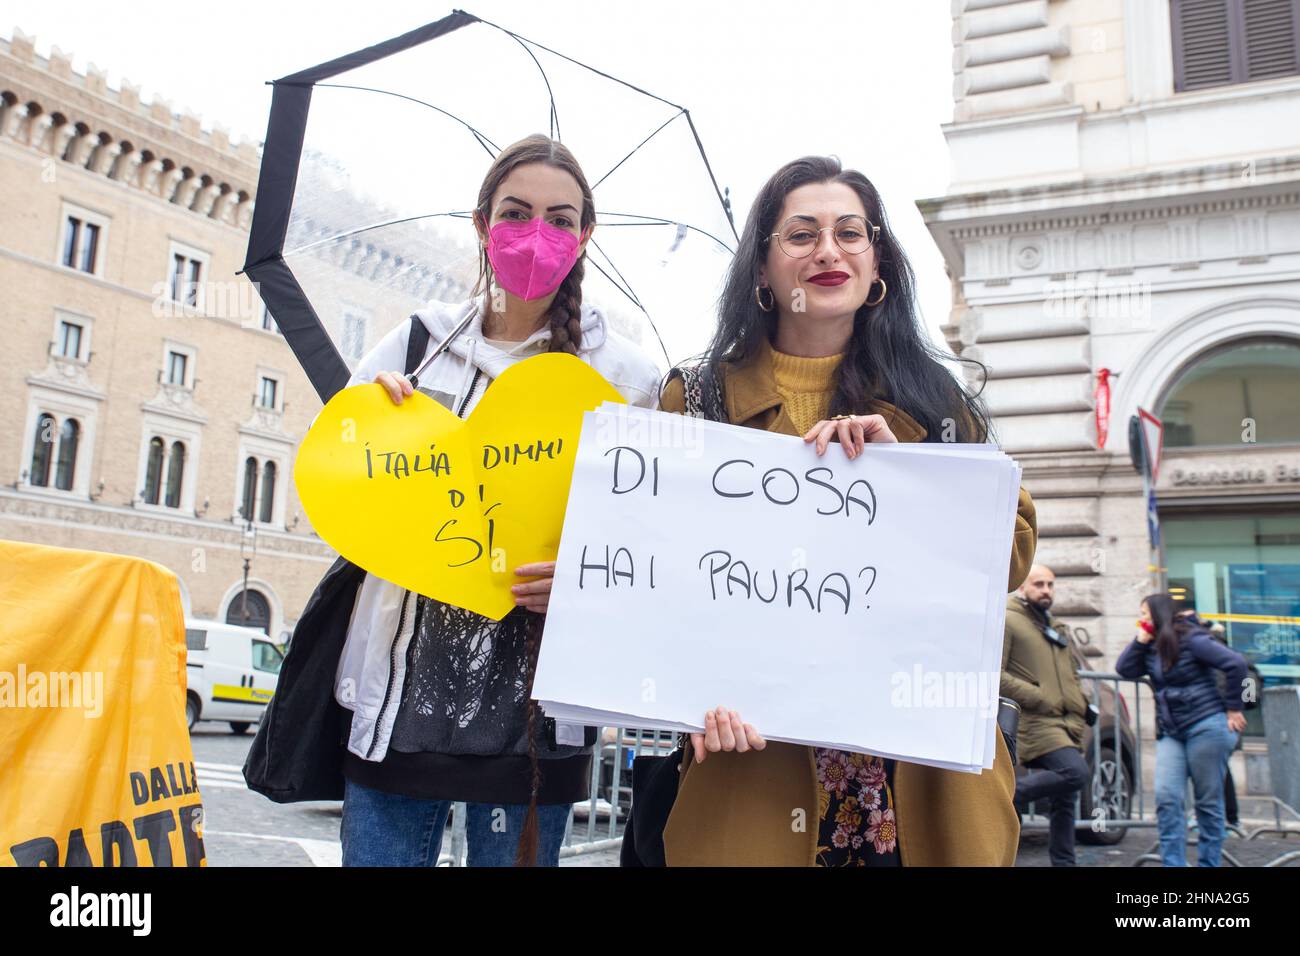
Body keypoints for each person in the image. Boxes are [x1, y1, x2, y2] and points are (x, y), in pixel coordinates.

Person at [655, 155, 1038, 866]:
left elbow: (1008, 557)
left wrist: (907, 479)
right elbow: (658, 571)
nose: (829, 250)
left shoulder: (938, 402)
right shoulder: (697, 398)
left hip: (919, 774)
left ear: (876, 262)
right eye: (801, 235)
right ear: (763, 271)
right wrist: (688, 696)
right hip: (755, 764)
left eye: (850, 233)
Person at [334, 134, 662, 866]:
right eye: (515, 213)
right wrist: (378, 427)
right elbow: (341, 487)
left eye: (558, 218)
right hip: (398, 710)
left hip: (534, 730)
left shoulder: (628, 376)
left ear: (585, 237)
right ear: (482, 225)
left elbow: (652, 539)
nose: (536, 233)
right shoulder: (412, 348)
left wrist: (584, 580)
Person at [1115, 593, 1248, 866]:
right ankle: (1173, 863)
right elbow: (1124, 669)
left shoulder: (1192, 638)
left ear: (1159, 613)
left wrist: (1234, 708)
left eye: (1144, 614)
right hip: (1172, 732)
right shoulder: (1150, 645)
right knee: (1166, 797)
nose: (1140, 619)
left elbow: (1236, 664)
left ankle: (1209, 863)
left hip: (1206, 725)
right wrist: (1140, 640)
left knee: (1207, 802)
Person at [1000, 564, 1091, 866]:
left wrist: (1080, 702)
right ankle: (1004, 796)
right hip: (1034, 722)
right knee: (1075, 773)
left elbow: (1072, 674)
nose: (1046, 590)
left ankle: (1064, 864)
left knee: (1066, 800)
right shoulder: (1009, 620)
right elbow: (995, 674)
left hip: (1067, 723)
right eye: (1039, 584)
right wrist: (1039, 697)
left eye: (1051, 585)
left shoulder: (1055, 625)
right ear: (1023, 586)